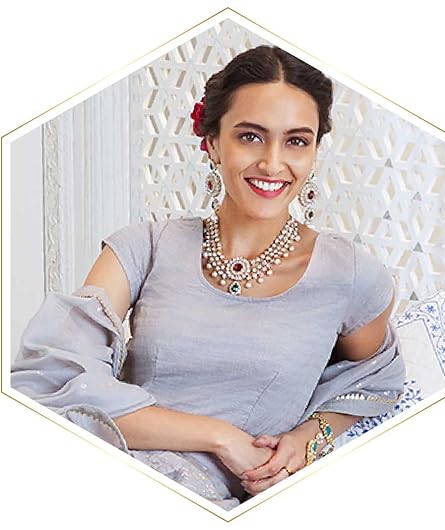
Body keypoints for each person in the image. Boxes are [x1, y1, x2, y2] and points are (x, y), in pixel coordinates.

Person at [11, 45, 406, 511]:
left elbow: (375, 378)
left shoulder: (350, 276)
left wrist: (309, 437)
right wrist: (220, 437)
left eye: (297, 141)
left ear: (316, 150)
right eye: (251, 136)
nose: (272, 163)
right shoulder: (143, 247)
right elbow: (54, 383)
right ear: (213, 142)